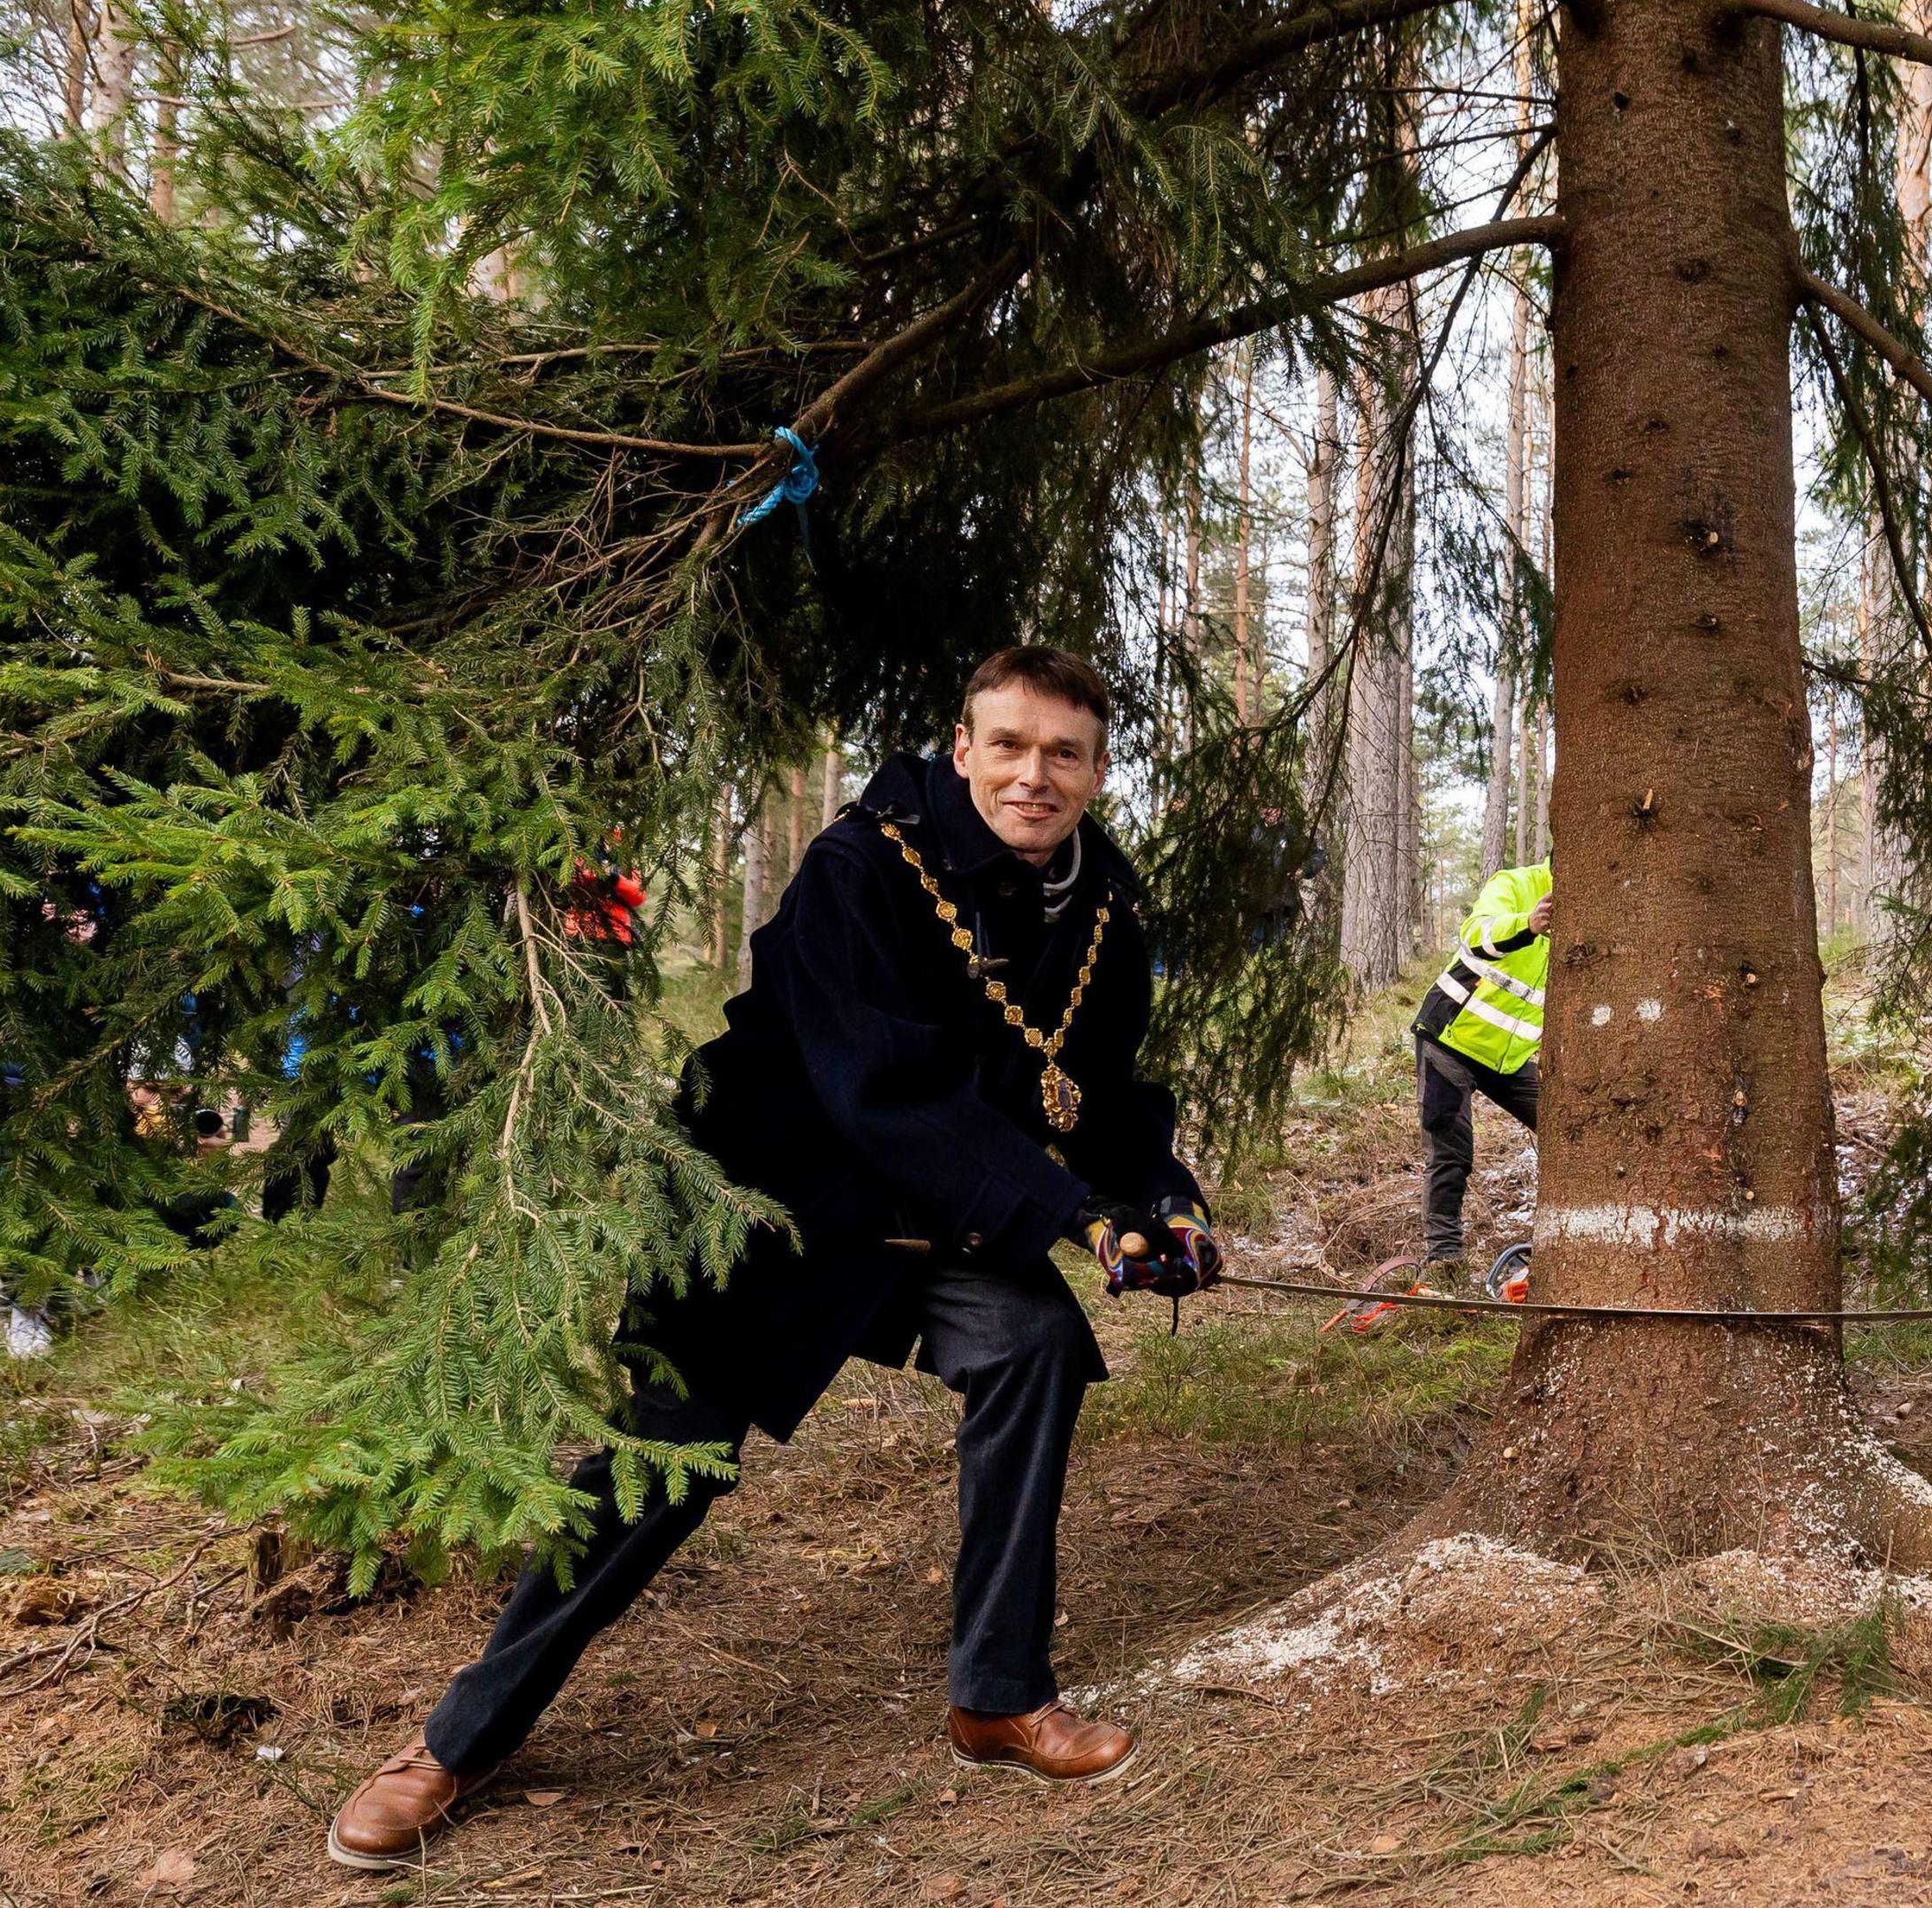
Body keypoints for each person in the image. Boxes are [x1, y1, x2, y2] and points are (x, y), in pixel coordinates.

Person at [330, 647, 1215, 1868]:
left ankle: (997, 1695)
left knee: (1035, 1346)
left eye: (1063, 753)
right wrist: (1067, 1213)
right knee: (663, 1464)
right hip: (783, 1202)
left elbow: (1097, 1094)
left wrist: (1157, 1203)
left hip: (952, 1208)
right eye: (1007, 745)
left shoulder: (1103, 906)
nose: (1033, 775)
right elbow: (880, 1091)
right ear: (962, 750)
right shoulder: (862, 866)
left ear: (1098, 770)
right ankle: (458, 1742)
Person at [1409, 861, 1549, 1275]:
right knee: (1451, 1150)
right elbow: (1475, 934)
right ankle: (1443, 1262)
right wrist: (1528, 922)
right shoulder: (1516, 883)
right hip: (1450, 1036)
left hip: (1508, 1058)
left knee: (1566, 1126)